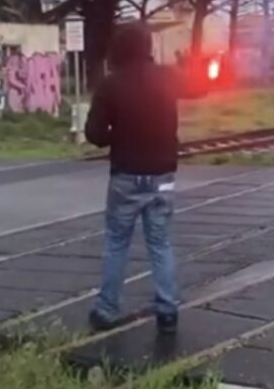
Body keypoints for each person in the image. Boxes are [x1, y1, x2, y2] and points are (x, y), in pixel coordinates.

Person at [85, 22, 183, 333]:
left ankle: (107, 308)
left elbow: (95, 134)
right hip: (163, 175)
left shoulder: (110, 84)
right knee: (160, 242)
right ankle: (168, 310)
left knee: (117, 243)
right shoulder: (168, 79)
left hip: (126, 176)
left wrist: (117, 133)